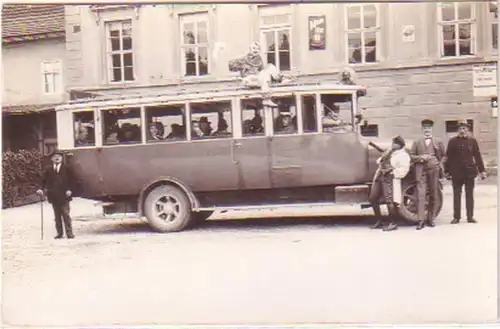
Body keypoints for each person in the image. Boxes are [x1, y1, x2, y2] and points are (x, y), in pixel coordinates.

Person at [444, 119, 487, 224]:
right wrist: (447, 172)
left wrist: (482, 171)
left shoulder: (472, 141)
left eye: (464, 128)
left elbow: (477, 156)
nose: (462, 130)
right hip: (456, 173)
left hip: (469, 172)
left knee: (469, 195)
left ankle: (470, 217)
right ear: (457, 130)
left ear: (468, 129)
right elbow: (448, 157)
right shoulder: (452, 141)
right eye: (460, 128)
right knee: (456, 195)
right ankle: (456, 217)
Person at [410, 118, 446, 230]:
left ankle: (431, 218)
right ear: (422, 129)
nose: (427, 130)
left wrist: (439, 164)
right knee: (421, 195)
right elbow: (411, 156)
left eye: (429, 128)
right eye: (425, 128)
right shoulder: (416, 142)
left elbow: (444, 156)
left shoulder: (438, 141)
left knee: (434, 195)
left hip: (433, 170)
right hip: (421, 171)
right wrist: (420, 157)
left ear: (432, 129)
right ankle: (421, 220)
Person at [369, 136, 411, 231]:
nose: (392, 145)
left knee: (389, 201)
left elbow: (404, 169)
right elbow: (379, 161)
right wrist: (384, 157)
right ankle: (379, 221)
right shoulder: (389, 152)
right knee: (373, 198)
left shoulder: (403, 155)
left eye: (394, 143)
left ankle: (393, 223)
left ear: (399, 145)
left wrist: (392, 172)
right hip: (380, 176)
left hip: (390, 178)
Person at [36, 150, 78, 239]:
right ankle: (59, 233)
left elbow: (74, 180)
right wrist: (40, 189)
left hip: (64, 195)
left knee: (66, 215)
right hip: (53, 196)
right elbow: (42, 181)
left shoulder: (67, 168)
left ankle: (69, 233)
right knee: (57, 216)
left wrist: (70, 190)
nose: (57, 158)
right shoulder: (48, 169)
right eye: (55, 156)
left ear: (62, 158)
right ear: (52, 159)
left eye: (59, 156)